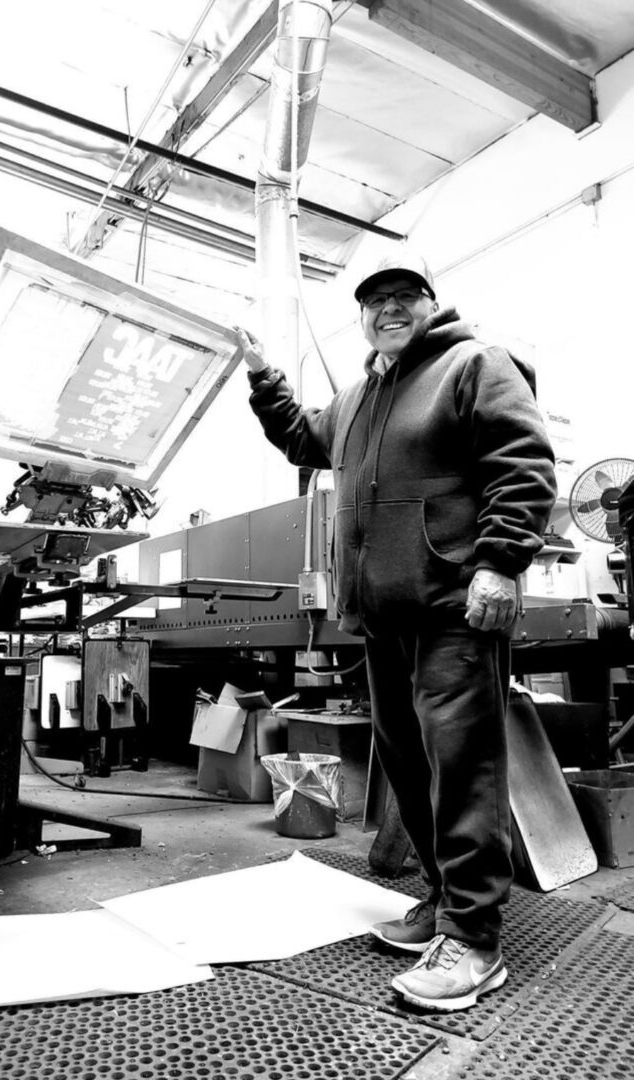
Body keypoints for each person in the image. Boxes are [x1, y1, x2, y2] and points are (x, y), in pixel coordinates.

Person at [236, 250, 557, 1012]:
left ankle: (475, 937)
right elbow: (301, 441)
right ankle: (445, 904)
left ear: (429, 302)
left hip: (455, 605)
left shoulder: (474, 364)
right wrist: (260, 377)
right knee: (408, 767)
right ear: (362, 316)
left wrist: (501, 561)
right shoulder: (358, 397)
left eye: (404, 295)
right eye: (374, 300)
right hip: (382, 615)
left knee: (463, 766)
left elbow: (524, 462)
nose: (389, 309)